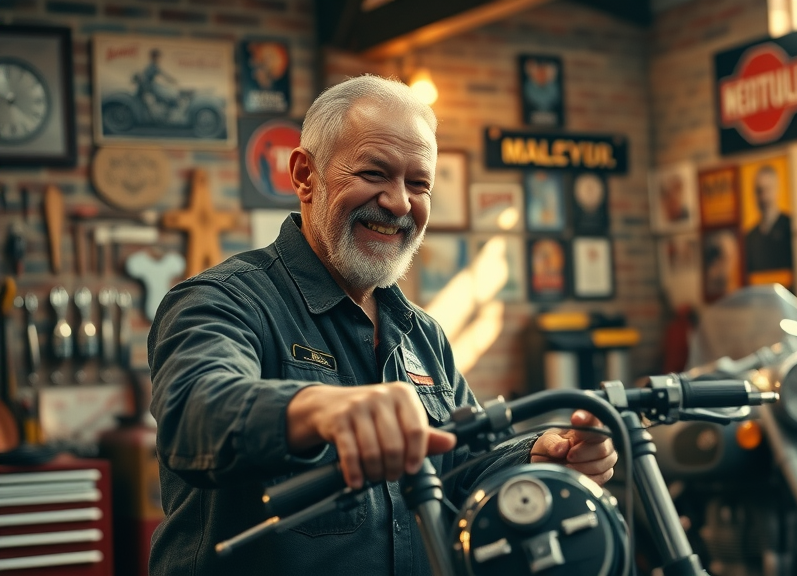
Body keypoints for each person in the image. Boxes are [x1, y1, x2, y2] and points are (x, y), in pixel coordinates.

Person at [147, 75, 617, 576]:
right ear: (305, 175)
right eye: (374, 173)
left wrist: (535, 458)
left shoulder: (422, 334)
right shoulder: (224, 299)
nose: (399, 203)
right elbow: (193, 412)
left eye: (418, 184)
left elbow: (461, 466)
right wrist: (319, 408)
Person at [744, 164, 793, 273]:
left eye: (768, 189)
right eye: (759, 191)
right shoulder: (749, 238)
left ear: (777, 190)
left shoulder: (791, 226)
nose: (764, 197)